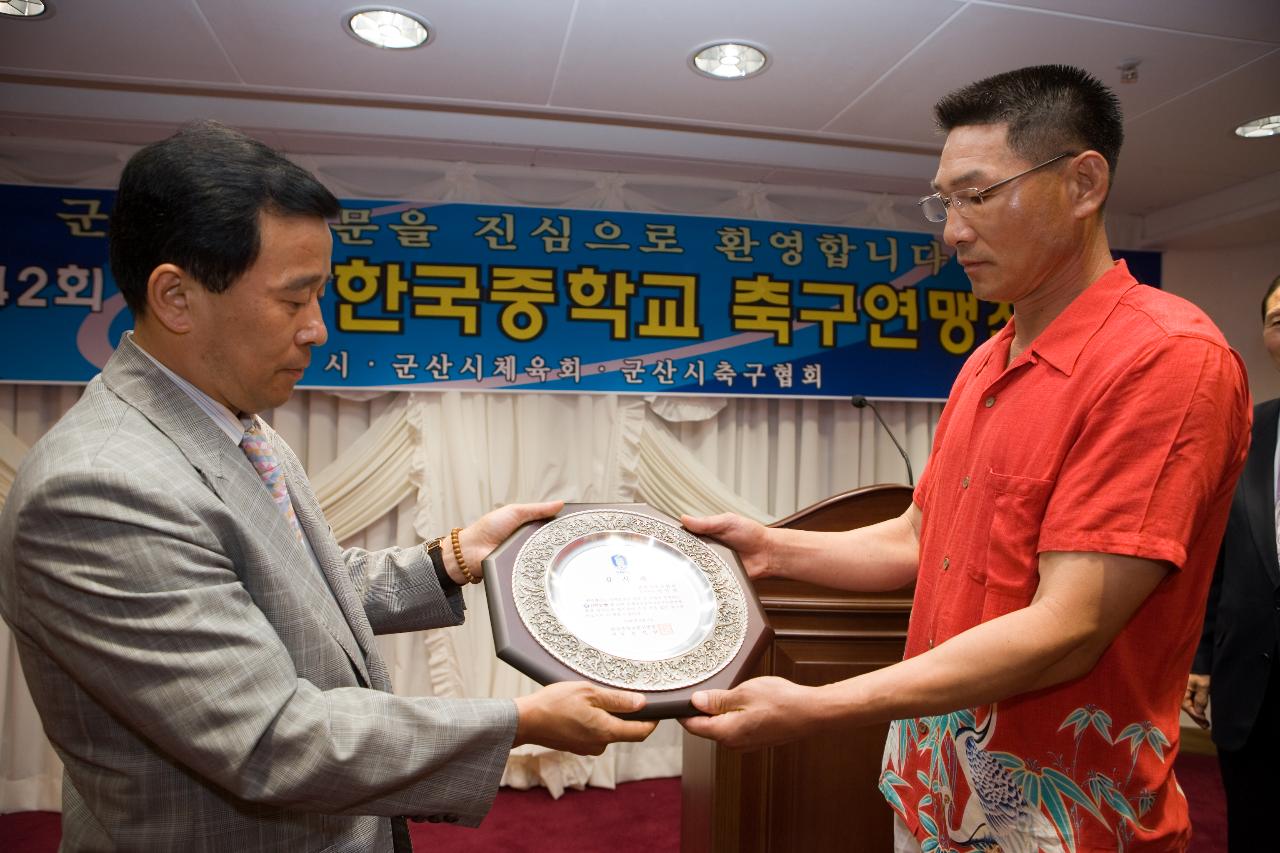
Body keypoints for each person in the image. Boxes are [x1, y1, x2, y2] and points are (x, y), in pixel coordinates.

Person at [0, 120, 655, 852]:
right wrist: (520, 722)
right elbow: (270, 738)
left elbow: (289, 590)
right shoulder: (101, 488)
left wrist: (453, 558)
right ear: (176, 297)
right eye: (293, 299)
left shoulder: (235, 422)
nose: (318, 328)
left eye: (322, 295)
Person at [681, 65, 1250, 852]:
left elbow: (1069, 626)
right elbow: (922, 537)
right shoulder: (988, 359)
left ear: (1084, 183)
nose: (951, 230)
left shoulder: (1165, 359)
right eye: (945, 201)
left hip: (1061, 815)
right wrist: (771, 547)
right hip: (931, 777)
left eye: (977, 195)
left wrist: (820, 705)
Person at [1183, 274, 1280, 852]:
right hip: (1252, 693)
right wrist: (1202, 657)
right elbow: (1221, 550)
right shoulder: (1253, 428)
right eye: (1277, 320)